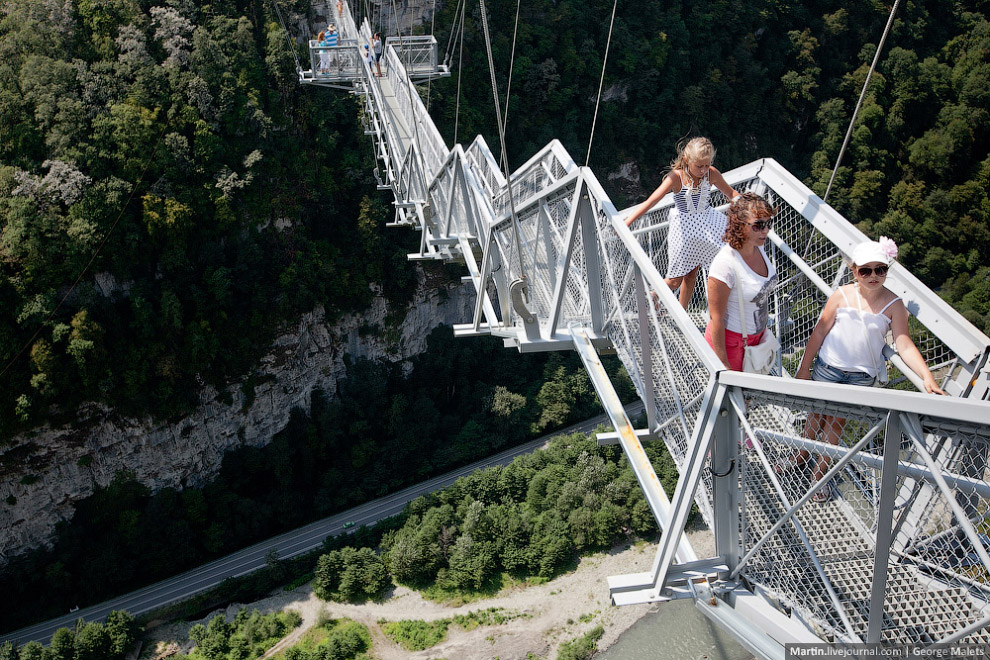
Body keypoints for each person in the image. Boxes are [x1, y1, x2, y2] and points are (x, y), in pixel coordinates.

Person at [781, 236, 945, 502]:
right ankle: (801, 455)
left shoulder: (894, 305)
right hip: (828, 368)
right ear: (854, 270)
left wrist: (926, 376)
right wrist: (804, 367)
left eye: (880, 270)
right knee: (815, 416)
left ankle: (819, 475)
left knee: (835, 424)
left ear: (887, 271)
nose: (873, 276)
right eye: (865, 270)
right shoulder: (842, 295)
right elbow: (820, 331)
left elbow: (903, 344)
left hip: (860, 378)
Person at [625, 137, 740, 309]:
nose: (703, 170)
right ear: (687, 160)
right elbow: (651, 201)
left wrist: (745, 208)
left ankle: (682, 313)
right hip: (685, 229)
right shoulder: (676, 177)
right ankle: (653, 295)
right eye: (699, 166)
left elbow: (731, 193)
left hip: (707, 225)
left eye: (707, 165)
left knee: (694, 274)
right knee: (675, 280)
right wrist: (627, 223)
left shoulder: (712, 174)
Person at [704, 192, 778, 372]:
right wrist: (723, 364)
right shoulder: (725, 265)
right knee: (735, 398)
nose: (766, 230)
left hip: (757, 339)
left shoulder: (758, 248)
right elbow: (716, 318)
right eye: (758, 225)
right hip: (732, 345)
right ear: (739, 225)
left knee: (749, 398)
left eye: (769, 224)